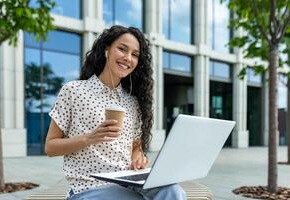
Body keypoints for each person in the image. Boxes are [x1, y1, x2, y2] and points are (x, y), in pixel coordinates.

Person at [45, 25, 186, 200]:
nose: (128, 58)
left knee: (173, 191)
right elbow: (50, 147)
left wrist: (138, 157)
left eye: (135, 55)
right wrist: (89, 138)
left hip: (127, 181)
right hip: (88, 187)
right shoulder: (74, 91)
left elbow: (135, 146)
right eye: (122, 49)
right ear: (106, 50)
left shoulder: (131, 102)